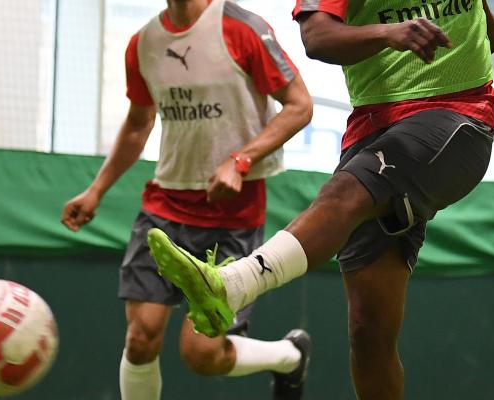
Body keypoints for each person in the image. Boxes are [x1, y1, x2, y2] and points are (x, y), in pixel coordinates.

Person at [146, 0, 494, 398]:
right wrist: (390, 33)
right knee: (369, 332)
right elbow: (317, 37)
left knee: (345, 192)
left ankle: (232, 285)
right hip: (373, 127)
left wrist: (489, 22)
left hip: (459, 111)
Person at [61, 0, 314, 398]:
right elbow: (138, 124)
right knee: (140, 339)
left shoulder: (242, 28)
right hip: (165, 209)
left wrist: (240, 161)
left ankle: (288, 356)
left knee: (201, 353)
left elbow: (300, 105)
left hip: (234, 216)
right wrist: (96, 190)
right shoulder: (143, 43)